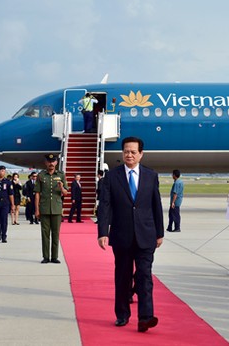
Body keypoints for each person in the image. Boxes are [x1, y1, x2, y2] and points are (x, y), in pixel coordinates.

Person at [97, 136, 164, 333]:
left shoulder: (151, 176)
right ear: (122, 153)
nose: (129, 155)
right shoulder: (112, 177)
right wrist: (103, 232)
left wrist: (159, 233)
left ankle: (145, 317)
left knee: (145, 276)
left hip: (146, 235)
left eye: (133, 152)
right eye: (126, 151)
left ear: (141, 154)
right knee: (123, 277)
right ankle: (122, 314)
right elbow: (105, 206)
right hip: (121, 235)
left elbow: (156, 206)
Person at [34, 154, 68, 263]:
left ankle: (54, 257)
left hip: (57, 208)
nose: (51, 164)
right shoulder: (41, 175)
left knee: (55, 233)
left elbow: (66, 193)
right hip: (44, 208)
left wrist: (62, 187)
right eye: (49, 161)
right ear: (46, 163)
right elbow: (37, 193)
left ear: (56, 163)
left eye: (53, 161)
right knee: (45, 234)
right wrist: (37, 209)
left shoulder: (61, 175)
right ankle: (45, 257)